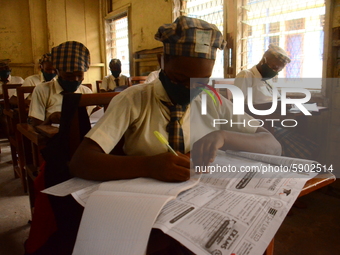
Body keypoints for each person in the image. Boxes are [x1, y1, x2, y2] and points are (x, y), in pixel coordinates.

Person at [69, 16, 281, 254]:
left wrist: (223, 136)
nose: (190, 90)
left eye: (200, 82)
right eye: (180, 79)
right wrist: (150, 166)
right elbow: (81, 161)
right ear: (163, 60)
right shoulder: (134, 99)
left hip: (198, 208)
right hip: (143, 210)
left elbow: (272, 146)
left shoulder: (211, 100)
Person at [234, 44, 318, 160]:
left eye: (279, 70)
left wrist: (285, 102)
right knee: (298, 147)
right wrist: (273, 105)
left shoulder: (267, 80)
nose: (275, 72)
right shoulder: (247, 75)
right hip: (256, 125)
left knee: (307, 142)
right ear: (263, 60)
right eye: (274, 68)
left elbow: (277, 100)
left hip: (272, 123)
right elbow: (237, 107)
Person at [28, 41, 93, 126]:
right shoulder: (42, 90)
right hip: (52, 136)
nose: (75, 79)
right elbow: (36, 124)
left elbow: (93, 116)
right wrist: (50, 119)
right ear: (57, 72)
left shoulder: (86, 92)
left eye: (79, 75)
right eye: (69, 76)